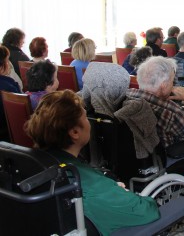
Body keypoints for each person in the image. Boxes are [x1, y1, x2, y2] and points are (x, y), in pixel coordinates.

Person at [24, 90, 161, 235]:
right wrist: (118, 194)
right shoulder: (91, 184)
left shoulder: (33, 161)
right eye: (85, 117)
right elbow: (145, 211)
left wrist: (111, 189)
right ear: (75, 132)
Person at [125, 56, 184, 150]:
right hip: (170, 159)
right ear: (164, 86)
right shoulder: (172, 112)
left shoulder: (126, 96)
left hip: (137, 156)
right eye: (172, 81)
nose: (173, 85)